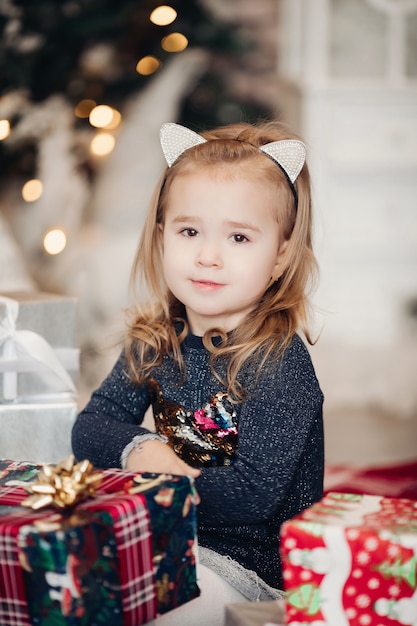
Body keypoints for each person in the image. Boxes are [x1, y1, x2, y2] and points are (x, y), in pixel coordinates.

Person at [71, 120, 324, 625]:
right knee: (70, 579)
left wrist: (166, 473)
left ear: (279, 255)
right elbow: (90, 428)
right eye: (189, 231)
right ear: (162, 236)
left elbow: (252, 497)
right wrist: (141, 448)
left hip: (250, 567)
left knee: (160, 605)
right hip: (162, 530)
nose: (208, 256)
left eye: (237, 236)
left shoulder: (279, 361)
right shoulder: (155, 339)